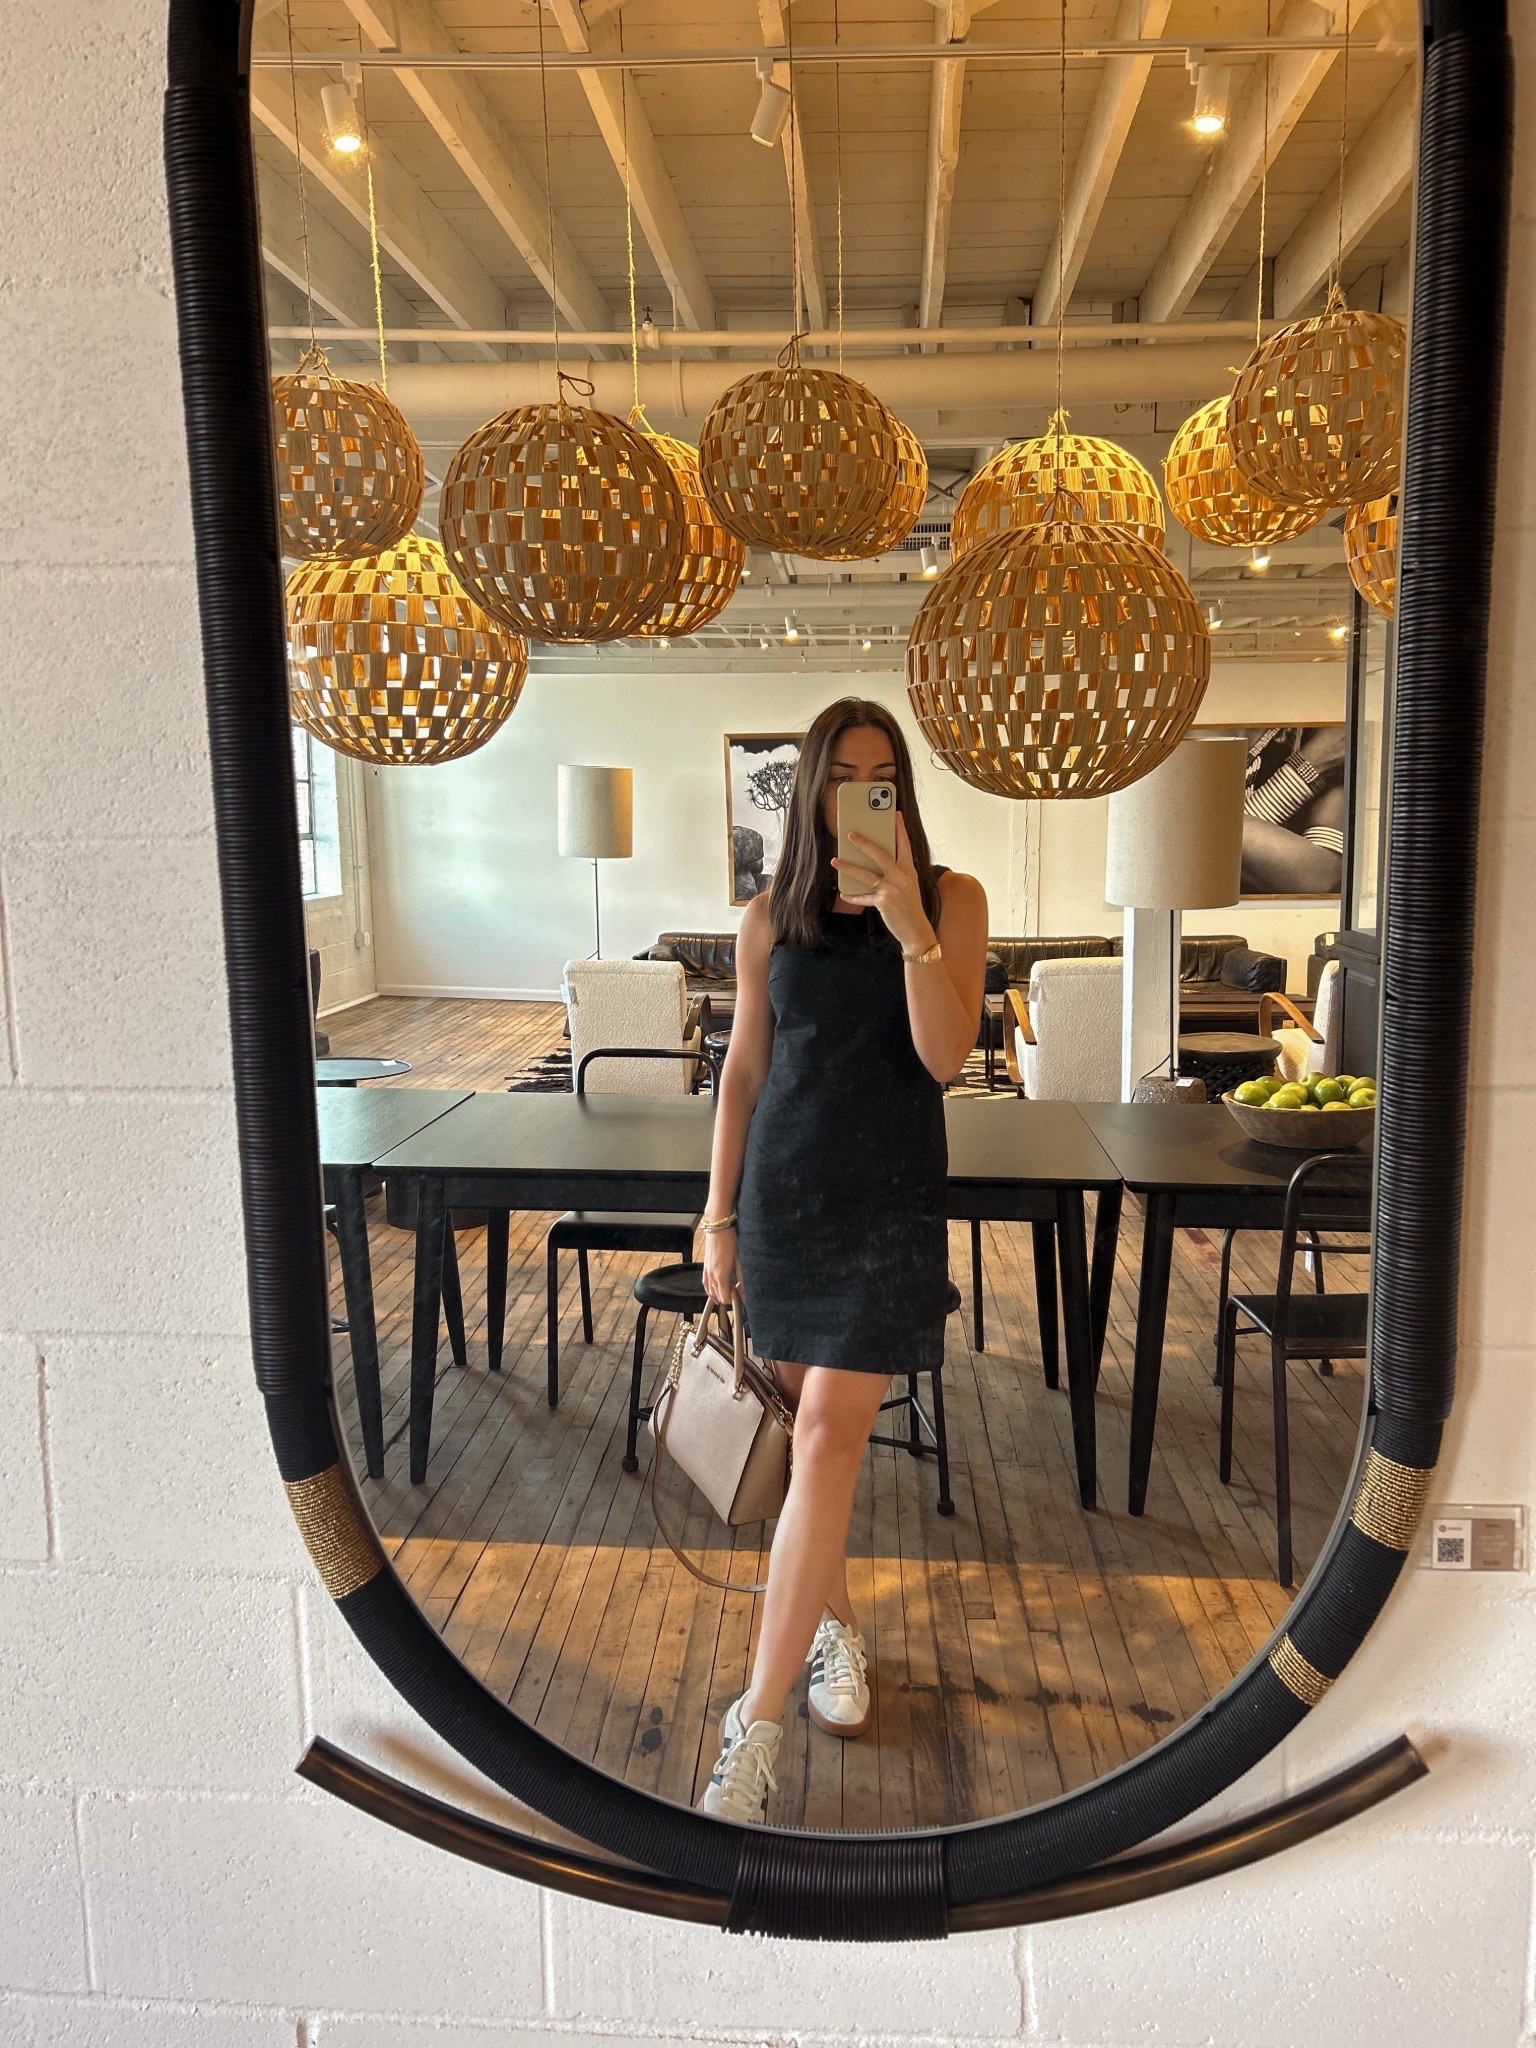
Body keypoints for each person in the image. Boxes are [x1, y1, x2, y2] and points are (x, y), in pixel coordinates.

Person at [694, 698, 988, 1823]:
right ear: (813, 789)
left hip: (888, 1206)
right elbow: (743, 1074)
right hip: (788, 1200)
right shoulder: (770, 915)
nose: (865, 790)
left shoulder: (952, 899)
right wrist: (717, 1213)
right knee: (816, 1441)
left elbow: (945, 1054)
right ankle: (833, 1629)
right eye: (843, 774)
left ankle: (753, 1725)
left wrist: (912, 922)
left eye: (884, 775)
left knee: (824, 1434)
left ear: (902, 792)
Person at [1240, 725, 1347, 896]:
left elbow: (1320, 875)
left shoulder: (1320, 725)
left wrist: (1196, 824)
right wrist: (1305, 770)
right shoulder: (1184, 719)